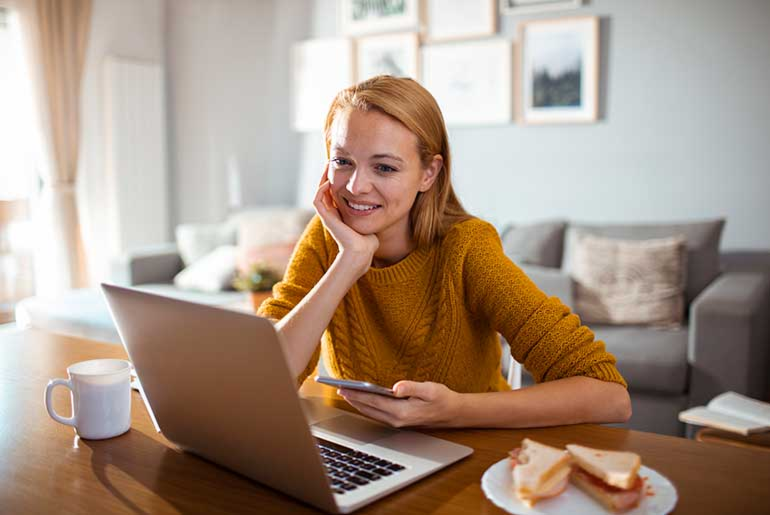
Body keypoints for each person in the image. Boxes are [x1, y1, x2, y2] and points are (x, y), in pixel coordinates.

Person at [258, 75, 631, 429]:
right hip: (360, 448)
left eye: (384, 167)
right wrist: (349, 261)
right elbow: (267, 379)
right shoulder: (327, 238)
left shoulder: (467, 248)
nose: (356, 187)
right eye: (342, 162)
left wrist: (455, 411)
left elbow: (609, 395)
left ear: (428, 174)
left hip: (466, 452)